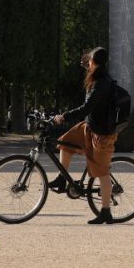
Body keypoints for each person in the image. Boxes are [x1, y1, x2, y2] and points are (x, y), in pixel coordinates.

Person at [49, 47, 118, 225]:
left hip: (102, 133)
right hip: (90, 126)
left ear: (95, 62)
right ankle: (61, 179)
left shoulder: (102, 83)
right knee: (65, 141)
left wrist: (64, 116)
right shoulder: (97, 79)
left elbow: (86, 108)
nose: (88, 64)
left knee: (101, 173)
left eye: (90, 61)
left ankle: (106, 212)